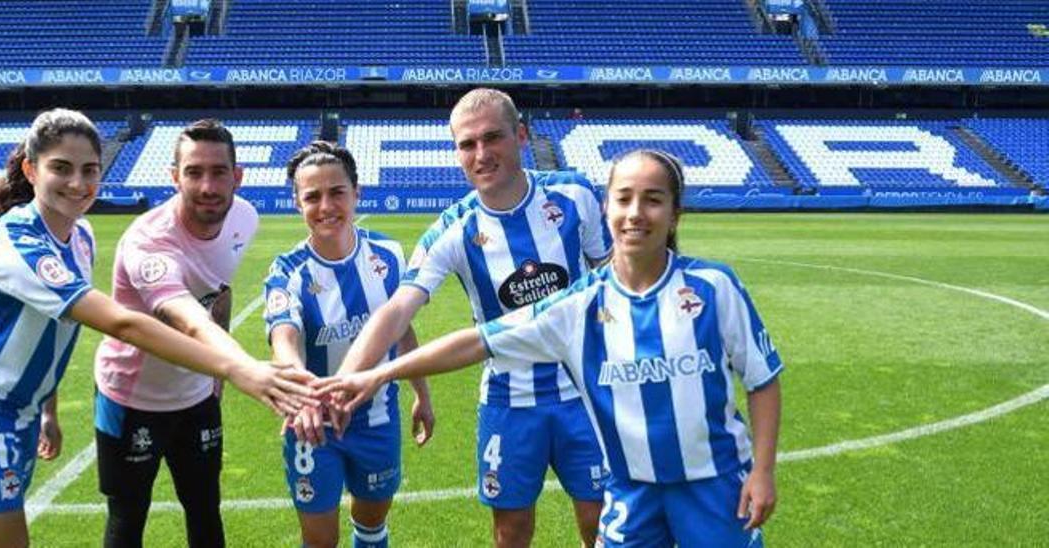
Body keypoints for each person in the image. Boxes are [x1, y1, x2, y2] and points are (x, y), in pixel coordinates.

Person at [321, 149, 783, 548]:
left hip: (716, 486)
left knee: (590, 516)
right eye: (623, 199)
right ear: (606, 209)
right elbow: (476, 342)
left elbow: (762, 380)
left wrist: (762, 471)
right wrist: (375, 375)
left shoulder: (714, 287)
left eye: (653, 199)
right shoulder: (576, 306)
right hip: (631, 491)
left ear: (676, 213)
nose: (636, 213)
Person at [0, 109, 315, 548]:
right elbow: (126, 324)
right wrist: (237, 368)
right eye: (61, 168)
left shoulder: (79, 235)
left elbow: (52, 328)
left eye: (89, 169)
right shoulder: (18, 243)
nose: (77, 183)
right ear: (31, 170)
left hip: (19, 412)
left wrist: (47, 408)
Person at [332, 88, 611, 547]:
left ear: (520, 135)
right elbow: (399, 307)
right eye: (467, 144)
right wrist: (346, 378)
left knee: (600, 522)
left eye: (492, 138)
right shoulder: (454, 228)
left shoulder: (574, 194)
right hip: (508, 398)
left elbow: (613, 278)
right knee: (511, 531)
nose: (481, 154)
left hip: (586, 390)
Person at [93, 119, 260, 547]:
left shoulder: (244, 218)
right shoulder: (149, 242)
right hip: (132, 398)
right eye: (194, 172)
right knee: (127, 517)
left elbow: (219, 291)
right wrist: (243, 368)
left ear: (237, 176)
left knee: (206, 509)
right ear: (173, 177)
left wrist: (217, 379)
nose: (208, 186)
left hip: (197, 396)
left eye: (219, 172)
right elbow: (187, 317)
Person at [264, 141, 435, 548]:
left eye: (337, 192)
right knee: (321, 540)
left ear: (356, 193)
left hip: (378, 418)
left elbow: (402, 328)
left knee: (371, 523)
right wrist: (303, 396)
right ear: (297, 203)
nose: (326, 206)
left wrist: (421, 395)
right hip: (312, 423)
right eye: (312, 196)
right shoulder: (287, 270)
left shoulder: (389, 255)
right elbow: (283, 341)